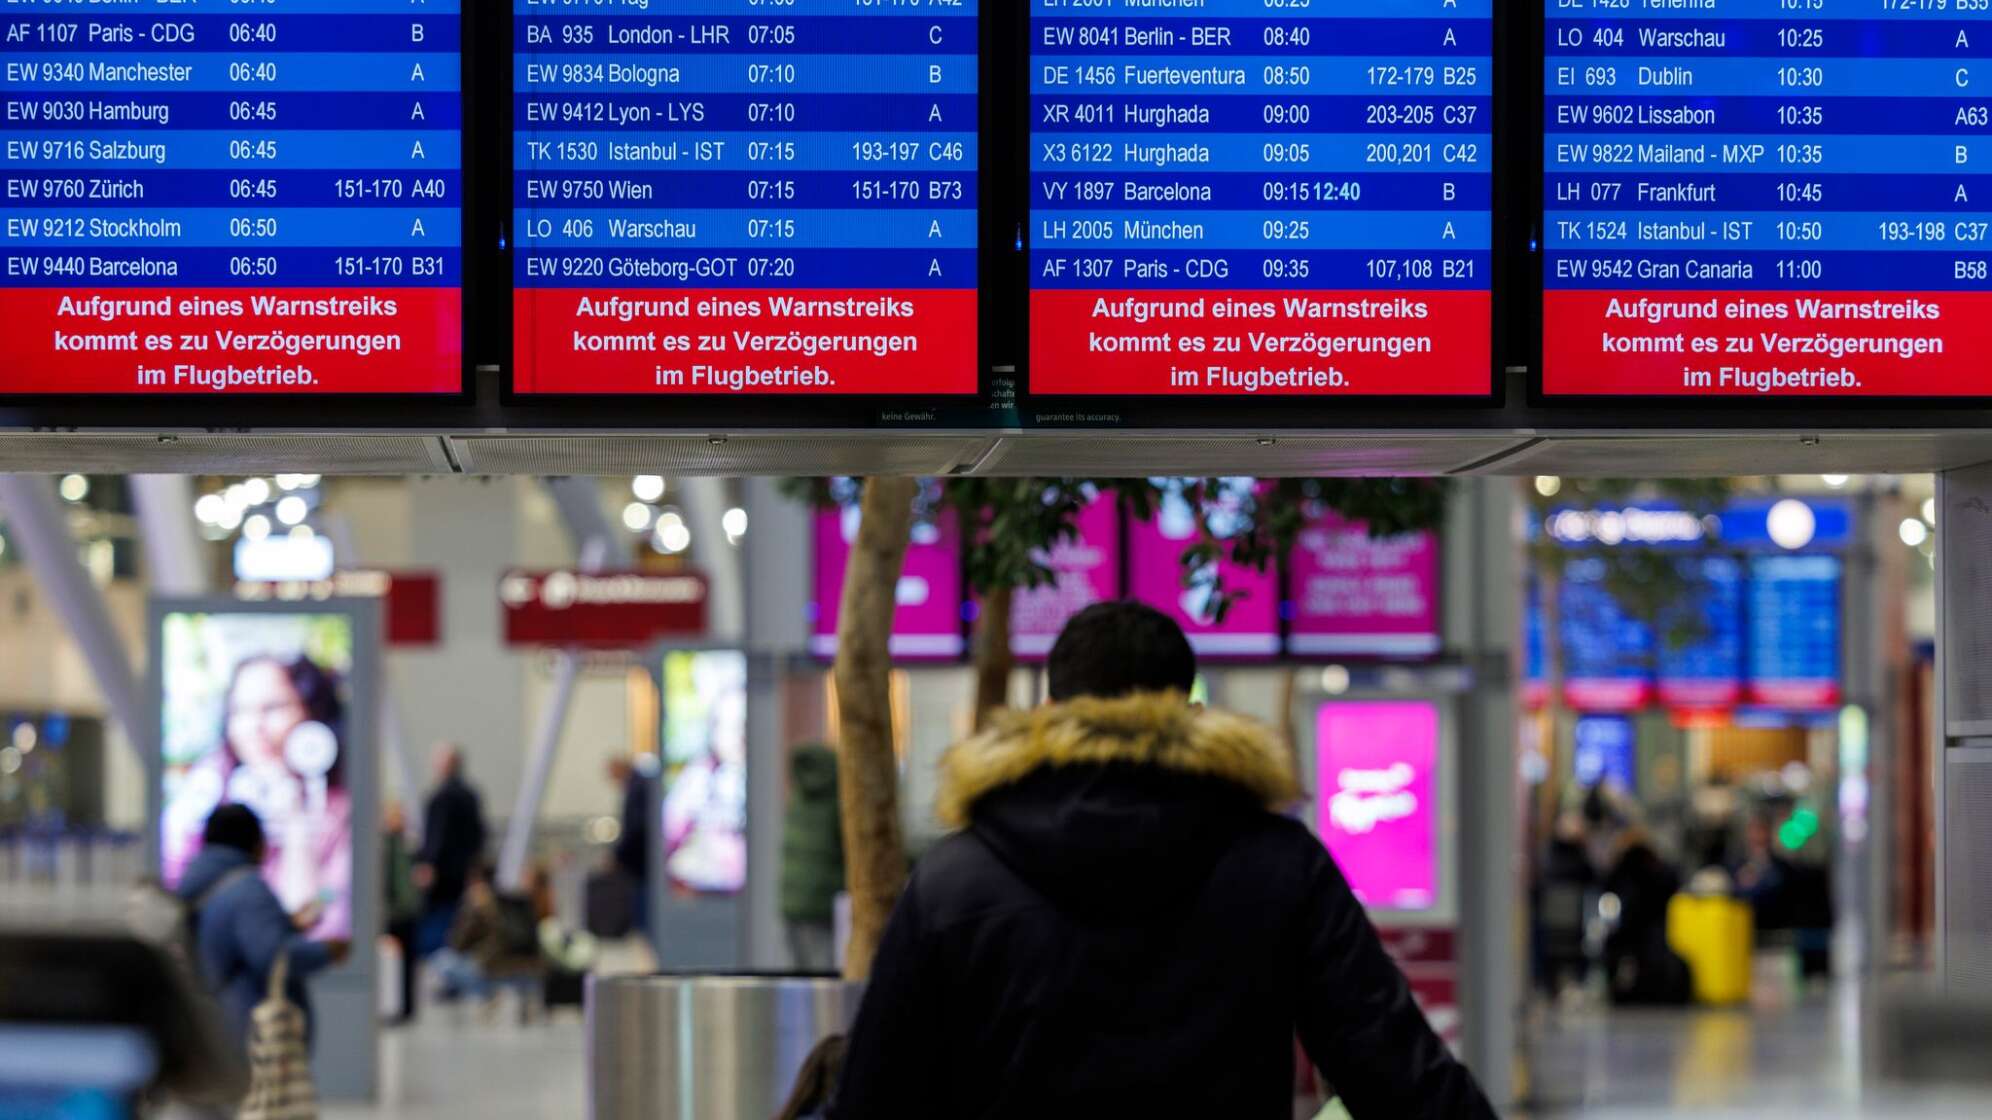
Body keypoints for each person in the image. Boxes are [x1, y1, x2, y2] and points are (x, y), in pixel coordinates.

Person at [828, 602, 1494, 1119]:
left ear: (1050, 712)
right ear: (1193, 714)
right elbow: (1396, 1071)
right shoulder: (1281, 865)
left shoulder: (955, 879)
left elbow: (877, 1096)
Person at [164, 653, 353, 941]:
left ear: (311, 714)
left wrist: (296, 826)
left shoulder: (338, 813)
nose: (254, 726)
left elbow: (314, 920)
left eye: (273, 707)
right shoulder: (212, 793)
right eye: (241, 710)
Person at [176, 804, 350, 1053]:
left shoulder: (198, 879)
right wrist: (326, 950)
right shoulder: (248, 889)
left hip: (214, 1023)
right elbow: (273, 955)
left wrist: (286, 924)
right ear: (256, 842)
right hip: (248, 1033)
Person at [416, 743, 487, 957]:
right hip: (462, 872)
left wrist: (429, 864)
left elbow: (437, 835)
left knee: (439, 925)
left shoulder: (442, 797)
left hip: (443, 877)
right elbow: (479, 835)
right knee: (458, 921)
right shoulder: (471, 795)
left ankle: (443, 964)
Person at [780, 743, 845, 973]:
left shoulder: (799, 795)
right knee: (823, 976)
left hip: (791, 903)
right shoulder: (836, 801)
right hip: (819, 905)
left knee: (799, 977)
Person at [382, 800, 421, 1024]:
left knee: (409, 964)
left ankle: (407, 1006)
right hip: (392, 913)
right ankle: (392, 1005)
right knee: (392, 963)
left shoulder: (409, 845)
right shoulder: (384, 845)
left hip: (408, 913)